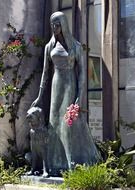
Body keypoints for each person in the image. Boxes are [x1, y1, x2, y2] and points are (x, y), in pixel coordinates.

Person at [31, 11, 100, 175]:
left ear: (64, 25)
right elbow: (45, 73)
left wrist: (79, 97)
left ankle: (70, 163)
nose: (54, 28)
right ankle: (55, 164)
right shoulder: (50, 46)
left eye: (57, 24)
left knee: (67, 124)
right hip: (56, 85)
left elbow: (83, 74)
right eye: (52, 24)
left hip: (70, 85)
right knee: (54, 123)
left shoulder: (76, 46)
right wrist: (40, 97)